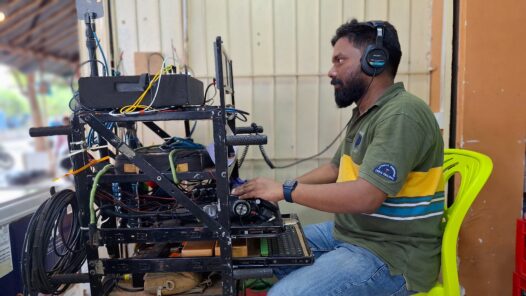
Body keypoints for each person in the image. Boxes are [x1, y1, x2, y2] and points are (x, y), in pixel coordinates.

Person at [232, 19, 444, 296]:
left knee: (284, 294)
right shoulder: (368, 113)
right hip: (353, 234)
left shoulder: (401, 115)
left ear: (374, 61)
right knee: (269, 247)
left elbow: (367, 197)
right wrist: (277, 187)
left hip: (392, 255)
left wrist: (285, 191)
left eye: (340, 60)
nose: (331, 71)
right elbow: (335, 168)